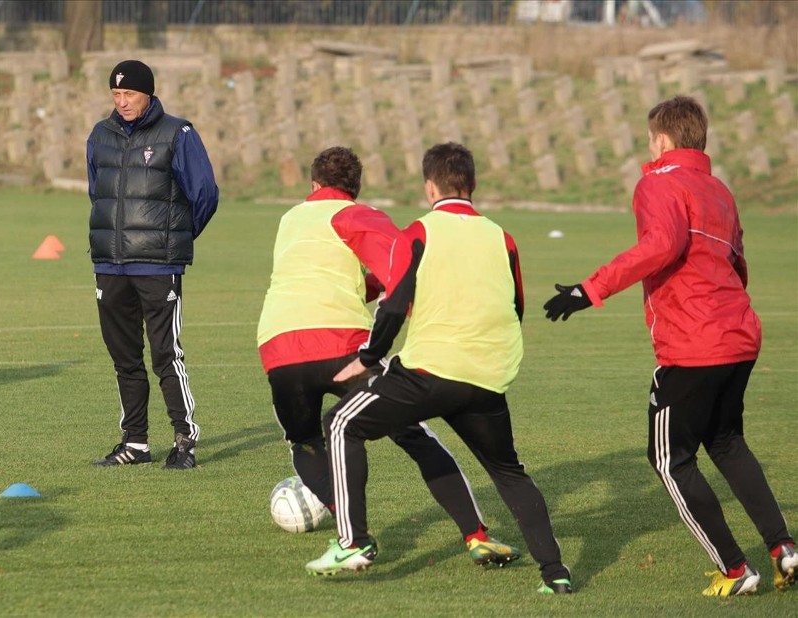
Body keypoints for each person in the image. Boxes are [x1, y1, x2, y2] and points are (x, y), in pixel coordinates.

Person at [543, 95, 796, 596]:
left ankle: (734, 568)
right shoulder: (719, 189)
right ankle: (784, 548)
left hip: (692, 344)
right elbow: (737, 261)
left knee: (670, 459)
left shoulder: (657, 182)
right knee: (726, 443)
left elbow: (661, 245)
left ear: (660, 139)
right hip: (739, 335)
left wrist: (587, 290)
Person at [305, 143, 572, 594]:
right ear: (473, 185)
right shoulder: (501, 236)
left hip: (428, 374)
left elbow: (392, 306)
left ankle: (354, 543)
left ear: (429, 186)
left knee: (339, 424)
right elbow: (515, 306)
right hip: (487, 377)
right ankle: (556, 573)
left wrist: (367, 359)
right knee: (509, 473)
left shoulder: (420, 232)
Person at [257, 146, 520, 568]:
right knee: (416, 437)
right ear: (355, 189)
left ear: (312, 185)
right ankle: (475, 535)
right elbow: (404, 267)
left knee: (305, 442)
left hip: (279, 350)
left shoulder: (289, 219)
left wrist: (372, 288)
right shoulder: (355, 214)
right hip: (342, 345)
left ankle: (350, 532)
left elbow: (328, 279)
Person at [87, 59, 219, 470]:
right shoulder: (99, 135)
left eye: (129, 94)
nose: (122, 102)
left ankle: (184, 442)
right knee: (124, 356)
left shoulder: (178, 133)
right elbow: (98, 192)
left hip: (158, 266)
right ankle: (136, 443)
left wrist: (174, 238)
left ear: (148, 94)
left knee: (166, 354)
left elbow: (205, 194)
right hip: (110, 265)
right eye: (116, 95)